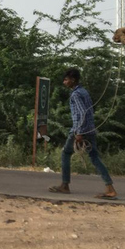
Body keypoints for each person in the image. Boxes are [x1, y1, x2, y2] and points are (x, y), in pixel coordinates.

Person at [49, 68, 117, 199]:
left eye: (66, 79)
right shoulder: (84, 91)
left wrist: (79, 133)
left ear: (73, 80)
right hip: (90, 128)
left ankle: (65, 185)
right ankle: (109, 187)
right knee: (94, 157)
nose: (64, 82)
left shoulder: (75, 94)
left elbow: (82, 113)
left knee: (66, 153)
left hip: (80, 130)